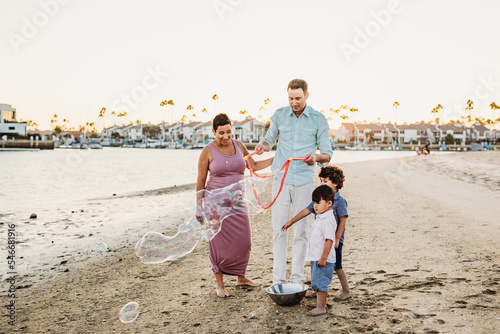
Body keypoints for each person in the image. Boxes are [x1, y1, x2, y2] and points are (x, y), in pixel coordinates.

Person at [255, 79, 332, 285]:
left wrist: (316, 158)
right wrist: (262, 145)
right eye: (290, 98)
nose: (294, 102)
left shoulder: (318, 119)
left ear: (307, 95)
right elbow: (269, 139)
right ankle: (278, 279)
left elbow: (327, 154)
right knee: (279, 230)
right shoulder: (280, 114)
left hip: (304, 182)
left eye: (298, 98)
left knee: (301, 231)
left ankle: (297, 278)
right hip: (281, 179)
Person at [196, 113, 273, 298]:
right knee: (217, 244)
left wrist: (276, 160)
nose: (225, 136)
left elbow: (253, 166)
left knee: (245, 241)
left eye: (228, 132)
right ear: (214, 132)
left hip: (238, 202)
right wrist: (199, 207)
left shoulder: (239, 146)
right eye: (221, 133)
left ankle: (241, 277)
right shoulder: (207, 151)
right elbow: (200, 180)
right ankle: (220, 284)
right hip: (215, 203)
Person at [282, 165, 350, 301]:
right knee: (316, 264)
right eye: (320, 181)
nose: (321, 184)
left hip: (333, 240)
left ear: (335, 183)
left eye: (325, 181)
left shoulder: (340, 201)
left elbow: (343, 220)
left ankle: (346, 290)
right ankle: (318, 290)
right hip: (320, 240)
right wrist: (291, 221)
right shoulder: (320, 198)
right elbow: (306, 211)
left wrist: (337, 238)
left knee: (336, 266)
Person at [301, 185, 337, 316]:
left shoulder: (328, 220)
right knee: (316, 280)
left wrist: (323, 258)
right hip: (316, 257)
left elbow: (329, 240)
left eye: (318, 203)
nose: (315, 206)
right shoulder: (321, 216)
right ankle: (319, 302)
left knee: (321, 283)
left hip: (323, 258)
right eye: (314, 203)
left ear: (329, 203)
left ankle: (321, 307)